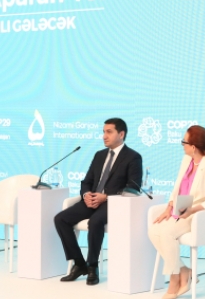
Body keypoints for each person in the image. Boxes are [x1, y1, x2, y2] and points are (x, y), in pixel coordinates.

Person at [54, 118, 142, 286]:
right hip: (91, 200)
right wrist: (86, 194)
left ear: (121, 134)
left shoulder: (133, 157)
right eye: (103, 132)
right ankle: (79, 264)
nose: (104, 136)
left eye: (109, 132)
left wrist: (106, 196)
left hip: (113, 203)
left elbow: (133, 188)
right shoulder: (99, 155)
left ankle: (92, 266)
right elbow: (87, 181)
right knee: (61, 219)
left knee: (95, 222)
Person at [148, 125, 205, 299]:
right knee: (154, 230)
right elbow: (178, 186)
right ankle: (184, 270)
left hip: (198, 214)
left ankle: (174, 278)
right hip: (181, 209)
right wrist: (169, 207)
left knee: (167, 233)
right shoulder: (187, 160)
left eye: (184, 142)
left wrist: (192, 210)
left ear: (193, 146)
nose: (182, 145)